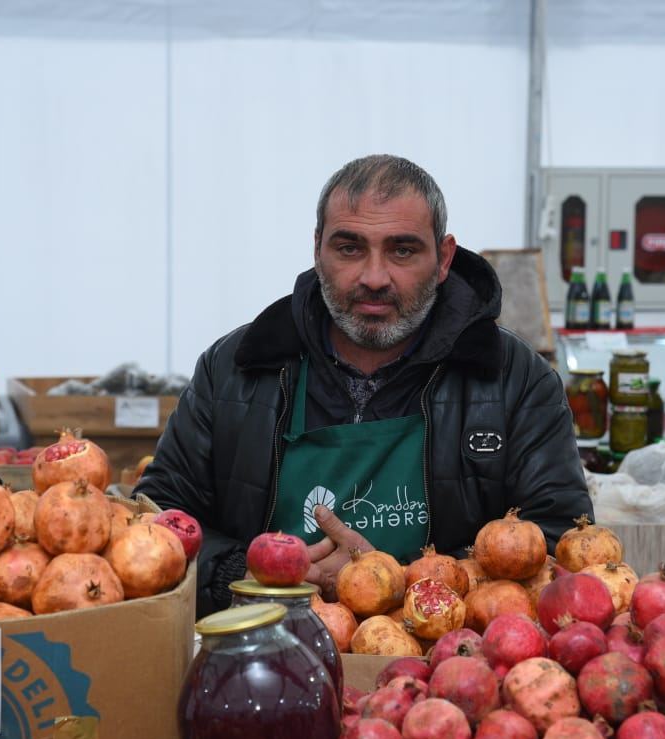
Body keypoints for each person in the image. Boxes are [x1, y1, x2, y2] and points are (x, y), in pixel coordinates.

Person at [134, 154, 592, 615]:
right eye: (350, 248)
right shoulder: (233, 370)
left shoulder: (514, 380)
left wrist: (392, 579)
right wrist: (240, 574)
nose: (374, 278)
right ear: (318, 251)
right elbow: (156, 518)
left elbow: (562, 540)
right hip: (257, 647)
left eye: (403, 250)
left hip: (441, 671)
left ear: (444, 259)